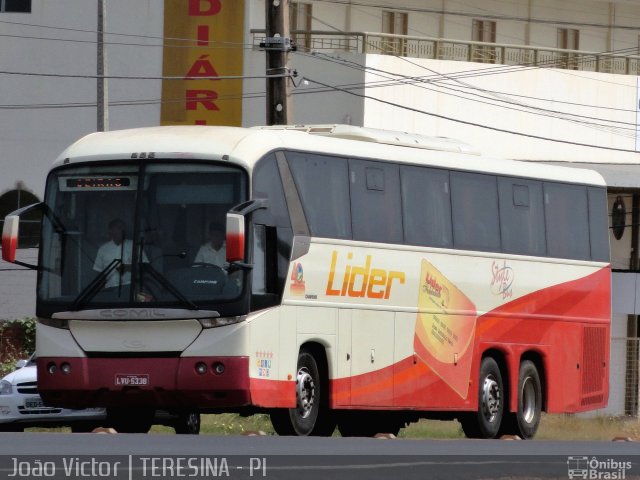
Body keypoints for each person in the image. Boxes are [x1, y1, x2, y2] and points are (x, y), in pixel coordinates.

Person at [93, 219, 145, 289]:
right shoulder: (103, 249)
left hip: (131, 291)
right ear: (110, 230)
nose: (122, 230)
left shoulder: (135, 246)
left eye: (123, 227)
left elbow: (145, 268)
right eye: (119, 227)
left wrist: (127, 267)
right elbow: (98, 272)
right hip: (110, 290)